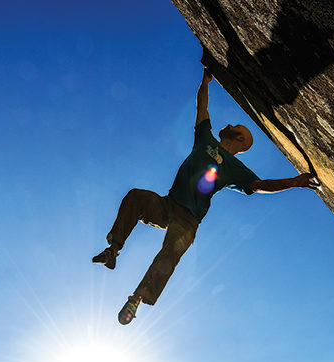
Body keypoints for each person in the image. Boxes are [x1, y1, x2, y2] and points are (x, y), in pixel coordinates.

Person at [92, 64, 318, 324]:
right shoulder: (205, 139)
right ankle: (113, 249)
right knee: (136, 196)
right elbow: (202, 108)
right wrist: (205, 80)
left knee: (169, 255)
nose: (231, 124)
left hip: (188, 222)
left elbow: (260, 185)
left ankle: (137, 299)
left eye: (238, 128)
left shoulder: (235, 168)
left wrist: (294, 181)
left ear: (241, 141)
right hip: (167, 205)